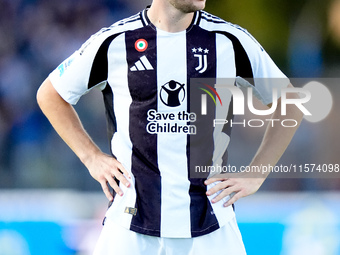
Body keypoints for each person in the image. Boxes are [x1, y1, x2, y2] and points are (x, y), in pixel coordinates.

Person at [36, 0, 303, 254]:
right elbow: (51, 94)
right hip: (129, 225)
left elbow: (290, 101)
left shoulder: (229, 40)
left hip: (212, 225)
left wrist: (257, 173)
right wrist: (91, 157)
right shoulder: (114, 41)